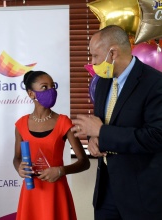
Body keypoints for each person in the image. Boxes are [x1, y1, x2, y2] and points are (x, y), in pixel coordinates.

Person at [71, 25, 162, 220]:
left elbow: (156, 136)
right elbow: (101, 125)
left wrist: (102, 133)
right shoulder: (103, 81)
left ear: (112, 53)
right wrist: (94, 139)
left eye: (95, 56)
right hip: (106, 194)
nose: (92, 62)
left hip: (140, 197)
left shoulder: (155, 83)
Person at [13, 70, 90, 220]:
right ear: (31, 94)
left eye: (52, 86)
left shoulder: (64, 122)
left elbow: (84, 162)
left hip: (56, 191)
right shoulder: (21, 124)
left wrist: (61, 171)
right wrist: (19, 168)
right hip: (31, 191)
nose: (51, 91)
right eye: (44, 87)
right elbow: (16, 158)